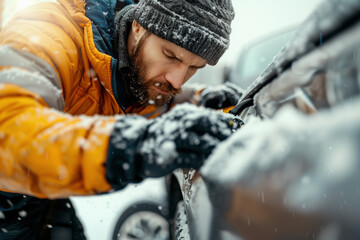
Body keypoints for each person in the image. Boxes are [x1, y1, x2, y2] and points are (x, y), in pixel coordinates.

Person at [0, 0, 241, 239]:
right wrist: (133, 145)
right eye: (170, 55)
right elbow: (8, 133)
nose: (178, 81)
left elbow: (150, 105)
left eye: (194, 67)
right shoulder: (48, 33)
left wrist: (202, 103)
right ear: (138, 26)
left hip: (37, 190)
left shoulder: (137, 68)